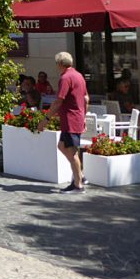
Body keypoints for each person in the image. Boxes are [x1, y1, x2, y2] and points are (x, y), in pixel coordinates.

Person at [39, 52, 87, 193]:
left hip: (71, 118)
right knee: (62, 146)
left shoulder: (65, 78)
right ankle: (81, 175)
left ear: (60, 64)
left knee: (72, 152)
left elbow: (59, 100)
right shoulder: (79, 75)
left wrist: (46, 119)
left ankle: (78, 185)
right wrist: (83, 116)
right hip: (75, 118)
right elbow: (85, 98)